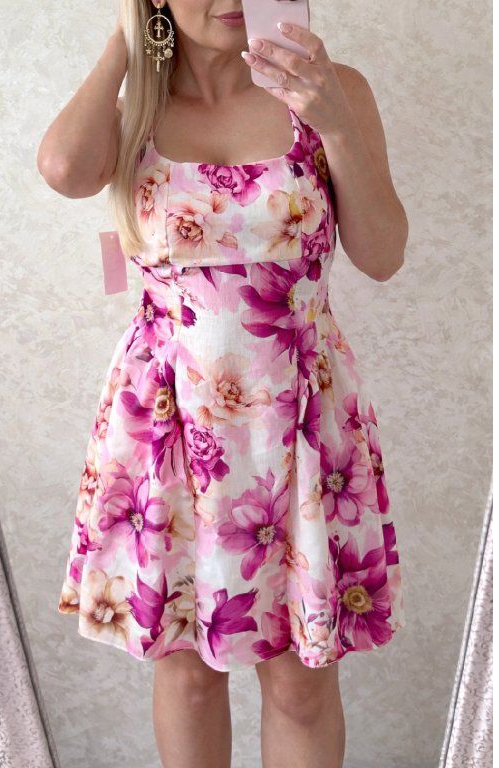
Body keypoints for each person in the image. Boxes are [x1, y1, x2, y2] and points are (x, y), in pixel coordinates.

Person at [38, 3, 409, 767]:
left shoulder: (332, 92)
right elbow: (65, 171)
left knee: (301, 683)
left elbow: (382, 255)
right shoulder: (135, 112)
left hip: (300, 422)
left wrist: (336, 124)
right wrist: (126, 42)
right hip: (168, 424)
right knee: (188, 674)